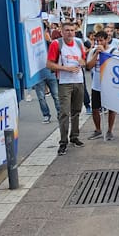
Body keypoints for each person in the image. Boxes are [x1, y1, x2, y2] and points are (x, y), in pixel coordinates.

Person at [47, 21, 86, 156]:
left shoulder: (79, 43)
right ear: (62, 32)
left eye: (72, 30)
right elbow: (49, 64)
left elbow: (84, 61)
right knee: (64, 112)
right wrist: (65, 68)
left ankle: (74, 136)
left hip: (79, 80)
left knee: (76, 111)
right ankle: (63, 142)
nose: (70, 33)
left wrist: (83, 62)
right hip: (64, 82)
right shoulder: (56, 44)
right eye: (67, 30)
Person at [85, 31, 116, 141]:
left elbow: (115, 65)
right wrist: (96, 54)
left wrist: (104, 54)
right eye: (97, 40)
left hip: (109, 85)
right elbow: (88, 66)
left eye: (101, 40)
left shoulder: (113, 50)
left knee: (112, 108)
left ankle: (110, 130)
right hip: (96, 84)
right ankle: (98, 129)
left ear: (107, 39)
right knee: (95, 108)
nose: (99, 43)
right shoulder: (93, 51)